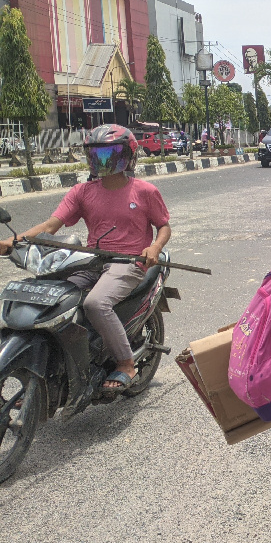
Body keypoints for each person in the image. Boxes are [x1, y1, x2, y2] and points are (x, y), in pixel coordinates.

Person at [0, 124, 171, 393]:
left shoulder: (145, 191)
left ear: (128, 155)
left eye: (110, 154)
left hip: (127, 262)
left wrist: (155, 248)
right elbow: (50, 226)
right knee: (53, 300)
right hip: (91, 261)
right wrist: (14, 241)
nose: (103, 161)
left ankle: (125, 363)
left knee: (96, 303)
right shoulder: (82, 192)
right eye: (96, 155)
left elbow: (163, 226)